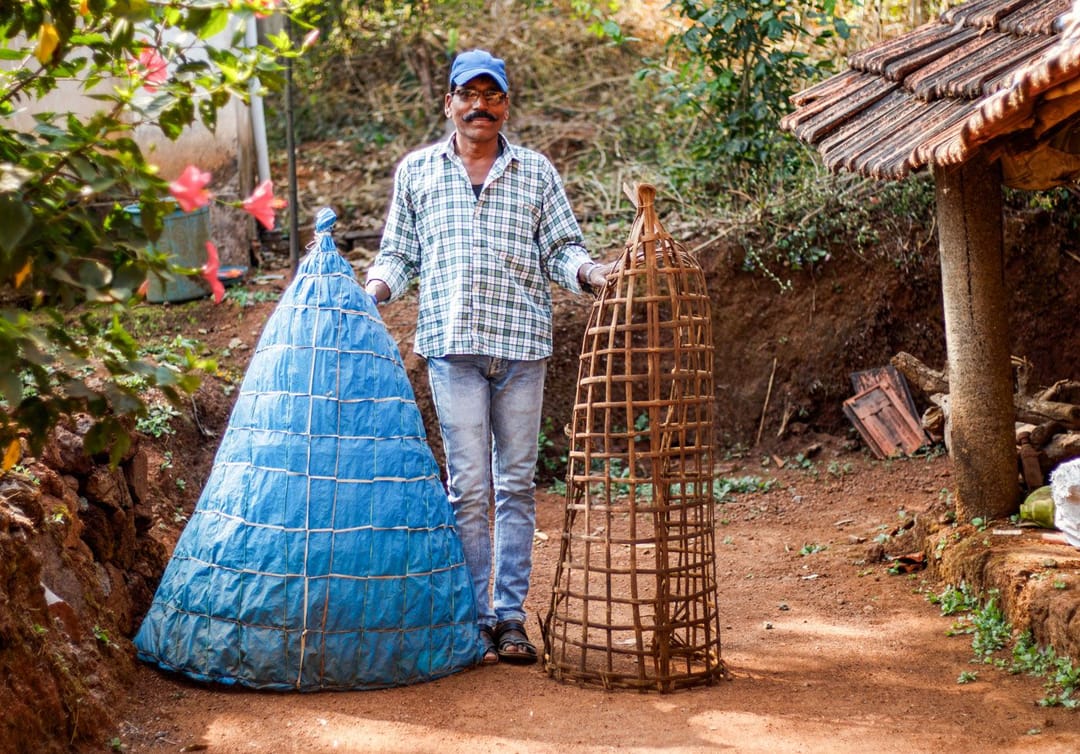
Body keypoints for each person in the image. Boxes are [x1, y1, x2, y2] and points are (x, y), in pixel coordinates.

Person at [365, 49, 612, 666]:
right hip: (452, 350)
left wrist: (592, 273)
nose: (481, 106)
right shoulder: (418, 172)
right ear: (448, 103)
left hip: (522, 348)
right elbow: (399, 255)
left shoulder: (535, 172)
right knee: (469, 488)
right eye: (468, 95)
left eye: (492, 95)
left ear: (506, 105)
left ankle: (509, 617)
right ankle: (476, 619)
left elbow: (561, 247)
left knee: (517, 486)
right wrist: (370, 293)